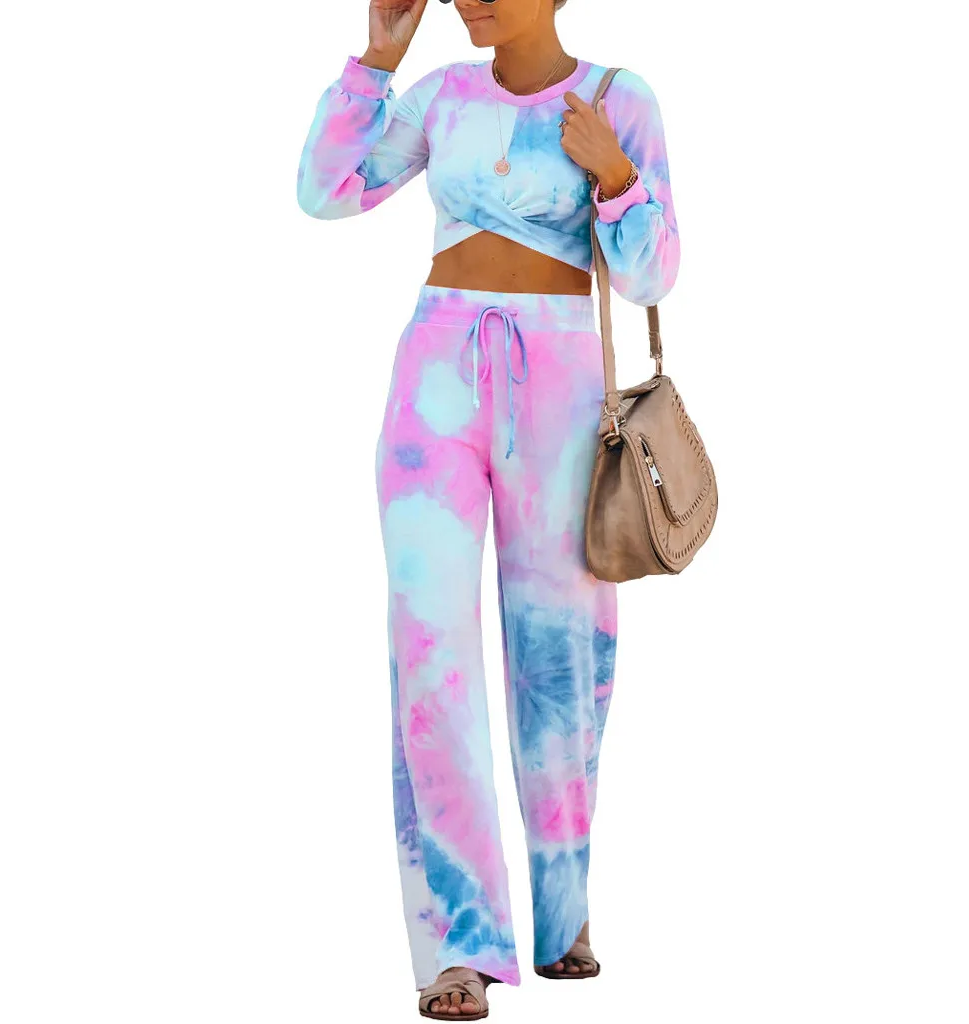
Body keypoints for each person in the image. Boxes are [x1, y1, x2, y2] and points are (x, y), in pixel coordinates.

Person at [296, 0, 679, 1017]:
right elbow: (324, 191)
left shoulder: (619, 100)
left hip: (560, 387)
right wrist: (375, 63)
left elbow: (652, 274)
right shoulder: (441, 96)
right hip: (435, 381)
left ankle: (562, 911)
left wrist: (615, 175)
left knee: (561, 652)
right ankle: (460, 940)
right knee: (428, 651)